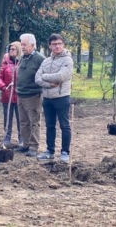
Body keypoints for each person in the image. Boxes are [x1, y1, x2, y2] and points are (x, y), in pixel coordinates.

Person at [35, 34, 73, 163]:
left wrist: (45, 76)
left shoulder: (67, 60)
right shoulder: (46, 61)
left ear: (63, 44)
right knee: (50, 126)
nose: (57, 46)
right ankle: (50, 151)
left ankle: (65, 152)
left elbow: (61, 76)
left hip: (62, 97)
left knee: (64, 125)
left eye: (59, 43)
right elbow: (37, 78)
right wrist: (48, 83)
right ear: (49, 45)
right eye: (54, 44)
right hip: (47, 98)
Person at [14, 33, 45, 157]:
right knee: (23, 121)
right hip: (20, 94)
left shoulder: (40, 59)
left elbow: (44, 75)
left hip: (33, 95)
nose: (22, 47)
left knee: (34, 122)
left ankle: (34, 146)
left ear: (33, 45)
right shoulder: (22, 57)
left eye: (24, 45)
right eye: (21, 44)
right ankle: (25, 144)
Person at [0, 42, 23, 147]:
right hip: (7, 95)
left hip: (20, 95)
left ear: (18, 50)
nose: (11, 51)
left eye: (13, 49)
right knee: (7, 117)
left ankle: (22, 139)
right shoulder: (5, 62)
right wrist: (4, 88)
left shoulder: (22, 62)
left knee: (21, 118)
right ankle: (6, 138)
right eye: (10, 49)